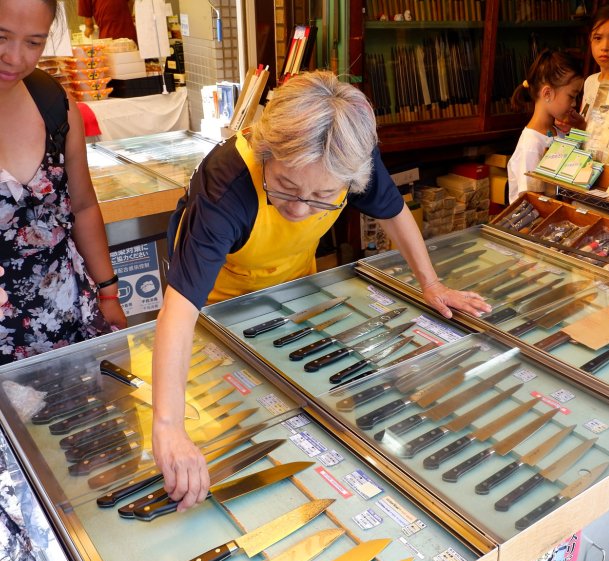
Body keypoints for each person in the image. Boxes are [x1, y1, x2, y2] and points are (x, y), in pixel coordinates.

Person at [153, 70, 491, 511]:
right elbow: (178, 311)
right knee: (232, 423)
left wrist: (431, 283)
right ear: (265, 153)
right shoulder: (228, 184)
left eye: (322, 196)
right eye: (287, 187)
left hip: (293, 290)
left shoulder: (348, 152)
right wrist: (169, 426)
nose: (298, 208)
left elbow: (394, 214)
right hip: (214, 310)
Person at [0, 0, 127, 364]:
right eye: (1, 37)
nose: (14, 57)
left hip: (72, 316)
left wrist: (108, 293)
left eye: (34, 42)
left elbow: (83, 206)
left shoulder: (52, 101)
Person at [506, 50, 583, 203]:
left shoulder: (558, 132)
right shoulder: (531, 145)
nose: (574, 103)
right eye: (571, 96)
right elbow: (532, 201)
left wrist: (581, 127)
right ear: (547, 93)